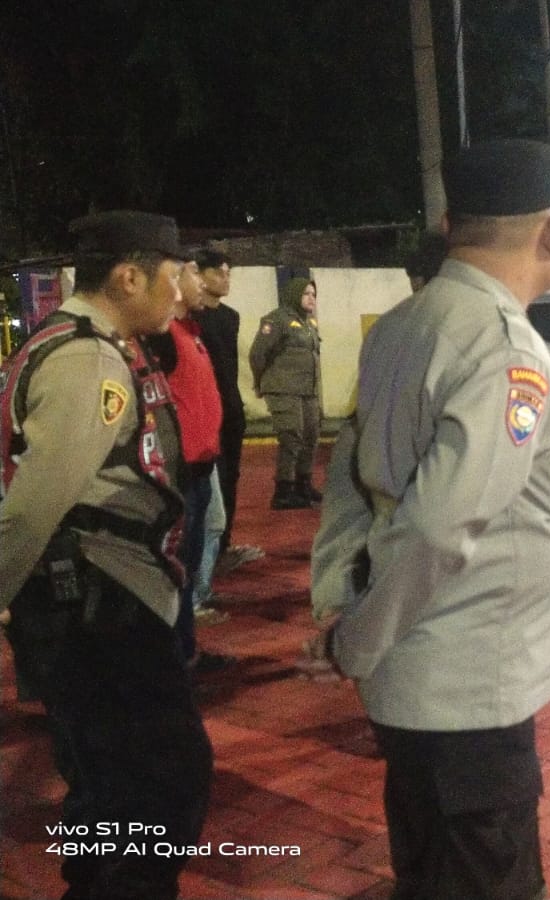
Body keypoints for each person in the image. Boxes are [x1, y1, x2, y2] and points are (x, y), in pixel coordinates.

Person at [308, 139, 550, 899]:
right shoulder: (503, 348)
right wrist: (355, 643)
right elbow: (439, 529)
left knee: (429, 873)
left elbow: (349, 480)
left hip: (422, 680)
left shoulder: (403, 324)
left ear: (448, 225)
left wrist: (339, 602)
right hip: (468, 687)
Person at [0, 211, 212, 898]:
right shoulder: (87, 359)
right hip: (97, 605)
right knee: (160, 783)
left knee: (108, 784)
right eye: (172, 275)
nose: (180, 291)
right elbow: (34, 504)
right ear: (128, 277)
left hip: (96, 598)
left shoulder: (89, 343)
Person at [144, 256, 235, 671]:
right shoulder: (164, 338)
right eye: (194, 272)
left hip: (202, 466)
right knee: (177, 566)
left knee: (190, 560)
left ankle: (186, 650)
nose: (202, 281)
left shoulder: (192, 331)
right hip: (182, 471)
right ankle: (178, 657)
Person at [191, 247, 263, 575]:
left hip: (231, 410)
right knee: (211, 484)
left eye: (228, 273)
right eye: (218, 272)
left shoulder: (230, 317)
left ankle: (223, 547)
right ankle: (203, 561)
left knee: (231, 477)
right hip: (207, 414)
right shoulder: (190, 320)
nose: (225, 278)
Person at [248, 275, 322, 509]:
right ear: (294, 294)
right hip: (283, 389)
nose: (311, 298)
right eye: (306, 293)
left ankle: (303, 484)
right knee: (292, 436)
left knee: (311, 436)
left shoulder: (309, 323)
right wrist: (260, 382)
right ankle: (283, 491)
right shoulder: (276, 320)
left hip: (307, 391)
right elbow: (257, 354)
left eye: (313, 294)